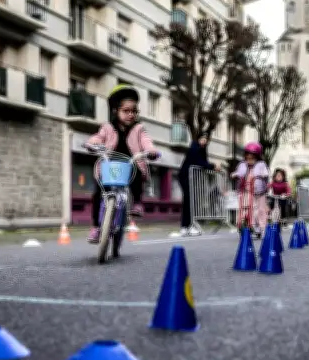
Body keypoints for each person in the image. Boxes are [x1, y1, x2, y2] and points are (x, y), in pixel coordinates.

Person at [86, 84, 159, 244]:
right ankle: (96, 227)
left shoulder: (139, 128)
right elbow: (98, 137)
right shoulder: (107, 127)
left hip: (130, 164)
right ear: (115, 111)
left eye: (134, 111)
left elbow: (146, 141)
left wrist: (150, 150)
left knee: (137, 172)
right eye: (126, 111)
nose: (130, 114)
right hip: (110, 166)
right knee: (98, 193)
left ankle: (137, 202)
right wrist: (93, 143)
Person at [175, 135, 218, 238]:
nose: (204, 141)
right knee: (189, 201)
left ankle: (187, 226)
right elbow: (200, 162)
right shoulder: (194, 148)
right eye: (202, 139)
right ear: (198, 139)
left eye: (206, 140)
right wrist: (213, 166)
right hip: (185, 177)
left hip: (191, 178)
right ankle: (186, 226)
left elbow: (203, 162)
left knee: (191, 201)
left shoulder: (201, 150)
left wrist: (211, 166)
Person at [231, 142, 269, 239]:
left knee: (261, 210)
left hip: (260, 192)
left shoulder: (261, 164)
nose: (249, 160)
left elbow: (265, 172)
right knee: (250, 210)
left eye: (252, 158)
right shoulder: (242, 164)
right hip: (247, 192)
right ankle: (251, 226)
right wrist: (235, 174)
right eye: (248, 157)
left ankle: (263, 228)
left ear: (257, 157)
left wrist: (263, 175)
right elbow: (238, 173)